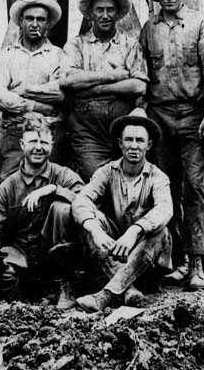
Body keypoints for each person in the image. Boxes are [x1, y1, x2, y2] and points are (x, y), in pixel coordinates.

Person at [138, 0, 204, 289]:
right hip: (159, 118)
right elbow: (142, 75)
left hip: (192, 117)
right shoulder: (149, 28)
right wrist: (141, 113)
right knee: (163, 189)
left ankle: (197, 264)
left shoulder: (199, 24)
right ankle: (172, 261)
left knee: (195, 189)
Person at [0, 113, 85, 308]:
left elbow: (87, 201)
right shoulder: (8, 187)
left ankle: (64, 287)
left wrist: (54, 189)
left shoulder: (63, 175)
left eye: (44, 142)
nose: (38, 147)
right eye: (33, 141)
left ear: (51, 145)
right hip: (22, 255)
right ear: (22, 144)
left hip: (55, 257)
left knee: (61, 208)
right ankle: (25, 296)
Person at [72, 108, 173, 312]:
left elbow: (165, 208)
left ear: (149, 145)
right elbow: (81, 199)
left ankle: (105, 295)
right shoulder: (108, 171)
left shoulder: (157, 177)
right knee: (91, 221)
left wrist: (135, 230)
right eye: (128, 140)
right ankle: (128, 290)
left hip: (148, 263)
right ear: (120, 143)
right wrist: (95, 230)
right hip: (116, 255)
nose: (134, 146)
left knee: (161, 231)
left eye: (139, 140)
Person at [61, 0, 148, 181]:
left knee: (126, 181)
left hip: (123, 131)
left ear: (117, 13)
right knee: (96, 180)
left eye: (110, 10)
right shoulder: (76, 45)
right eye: (100, 10)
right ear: (90, 13)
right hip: (87, 132)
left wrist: (92, 89)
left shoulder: (130, 45)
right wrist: (113, 76)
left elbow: (138, 85)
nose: (105, 15)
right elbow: (69, 81)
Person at [0, 0, 66, 182]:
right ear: (20, 22)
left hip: (48, 131)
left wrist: (21, 92)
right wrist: (37, 105)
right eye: (29, 19)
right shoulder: (6, 55)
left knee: (46, 185)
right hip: (14, 131)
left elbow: (60, 95)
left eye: (40, 19)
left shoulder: (58, 56)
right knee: (10, 184)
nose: (34, 24)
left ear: (48, 24)